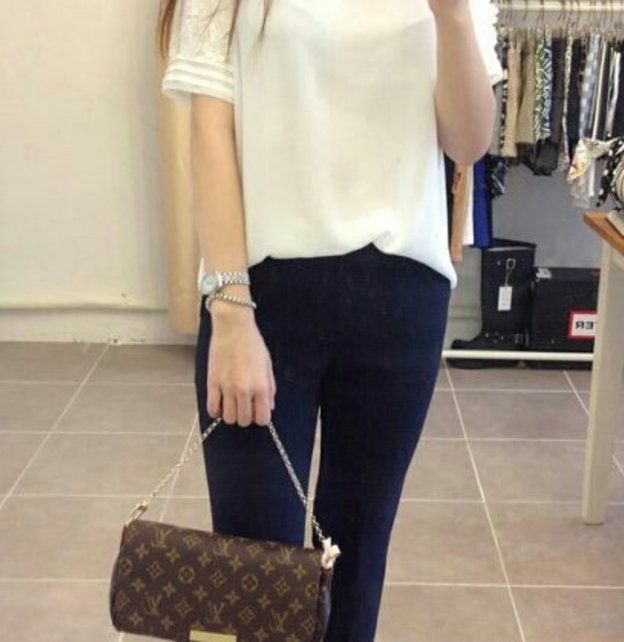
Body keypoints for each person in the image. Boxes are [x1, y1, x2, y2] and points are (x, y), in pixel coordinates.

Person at [158, 1, 503, 640]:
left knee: (357, 554)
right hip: (261, 298)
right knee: (252, 567)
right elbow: (210, 133)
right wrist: (230, 313)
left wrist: (453, 17)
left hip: (402, 299)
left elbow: (468, 142)